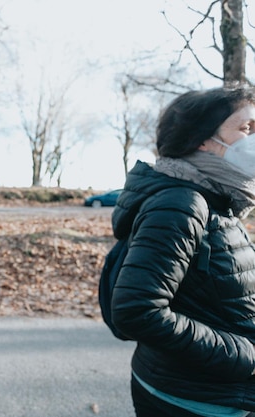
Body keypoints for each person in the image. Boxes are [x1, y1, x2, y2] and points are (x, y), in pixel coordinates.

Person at [110, 86, 255, 417]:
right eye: (247, 128)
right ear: (201, 141)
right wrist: (246, 355)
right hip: (197, 399)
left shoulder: (220, 200)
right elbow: (136, 311)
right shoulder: (182, 204)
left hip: (216, 388)